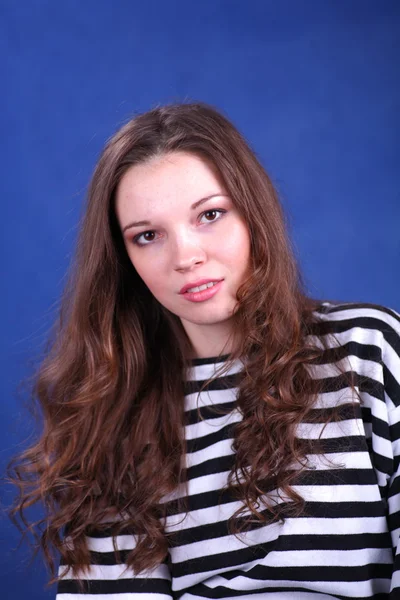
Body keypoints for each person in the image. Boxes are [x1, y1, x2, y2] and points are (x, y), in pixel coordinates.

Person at [7, 102, 400, 599]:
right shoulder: (118, 415)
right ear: (124, 259)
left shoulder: (366, 351)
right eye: (148, 236)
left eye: (210, 215)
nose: (186, 257)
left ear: (254, 213)